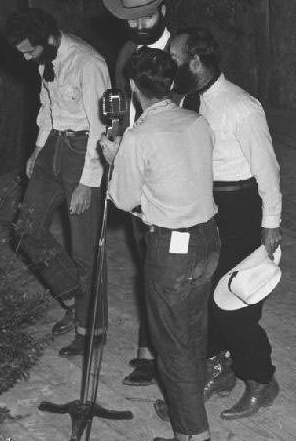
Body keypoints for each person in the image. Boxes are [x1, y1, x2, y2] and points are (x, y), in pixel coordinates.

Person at [103, 48, 219, 441]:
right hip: (208, 239)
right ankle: (188, 410)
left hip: (173, 249)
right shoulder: (197, 121)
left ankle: (192, 433)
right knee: (193, 332)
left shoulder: (139, 135)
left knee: (172, 346)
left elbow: (122, 199)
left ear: (134, 87)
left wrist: (114, 158)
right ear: (171, 84)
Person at [169, 28, 282, 419]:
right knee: (203, 296)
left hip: (241, 210)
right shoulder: (188, 100)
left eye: (175, 57)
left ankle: (261, 381)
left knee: (233, 303)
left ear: (195, 62)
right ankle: (219, 367)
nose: (170, 65)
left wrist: (271, 223)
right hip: (205, 207)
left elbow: (268, 170)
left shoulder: (241, 106)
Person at [8, 7, 110, 358]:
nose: (25, 57)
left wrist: (87, 182)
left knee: (84, 247)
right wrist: (38, 149)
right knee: (25, 228)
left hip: (85, 149)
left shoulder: (88, 63)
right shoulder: (46, 57)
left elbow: (102, 127)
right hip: (54, 142)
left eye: (28, 50)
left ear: (48, 40)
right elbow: (47, 107)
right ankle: (75, 298)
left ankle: (91, 327)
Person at [102, 0, 177, 386]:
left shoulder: (183, 52)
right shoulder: (127, 50)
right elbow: (120, 109)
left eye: (147, 18)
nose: (139, 26)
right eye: (132, 19)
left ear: (163, 10)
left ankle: (170, 354)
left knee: (167, 264)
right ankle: (150, 349)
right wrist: (115, 142)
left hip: (169, 172)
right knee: (146, 260)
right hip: (134, 167)